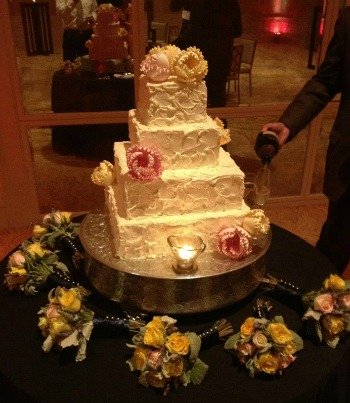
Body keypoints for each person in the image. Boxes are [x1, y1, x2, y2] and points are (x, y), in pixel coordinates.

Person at [260, 6, 350, 275]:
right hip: (349, 166)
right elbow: (326, 80)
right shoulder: (348, 17)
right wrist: (288, 124)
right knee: (332, 251)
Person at [170, 0, 242, 108]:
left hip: (200, 61)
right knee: (218, 103)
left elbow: (192, 34)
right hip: (222, 59)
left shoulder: (198, 3)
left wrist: (170, 47)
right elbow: (238, 30)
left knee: (199, 106)